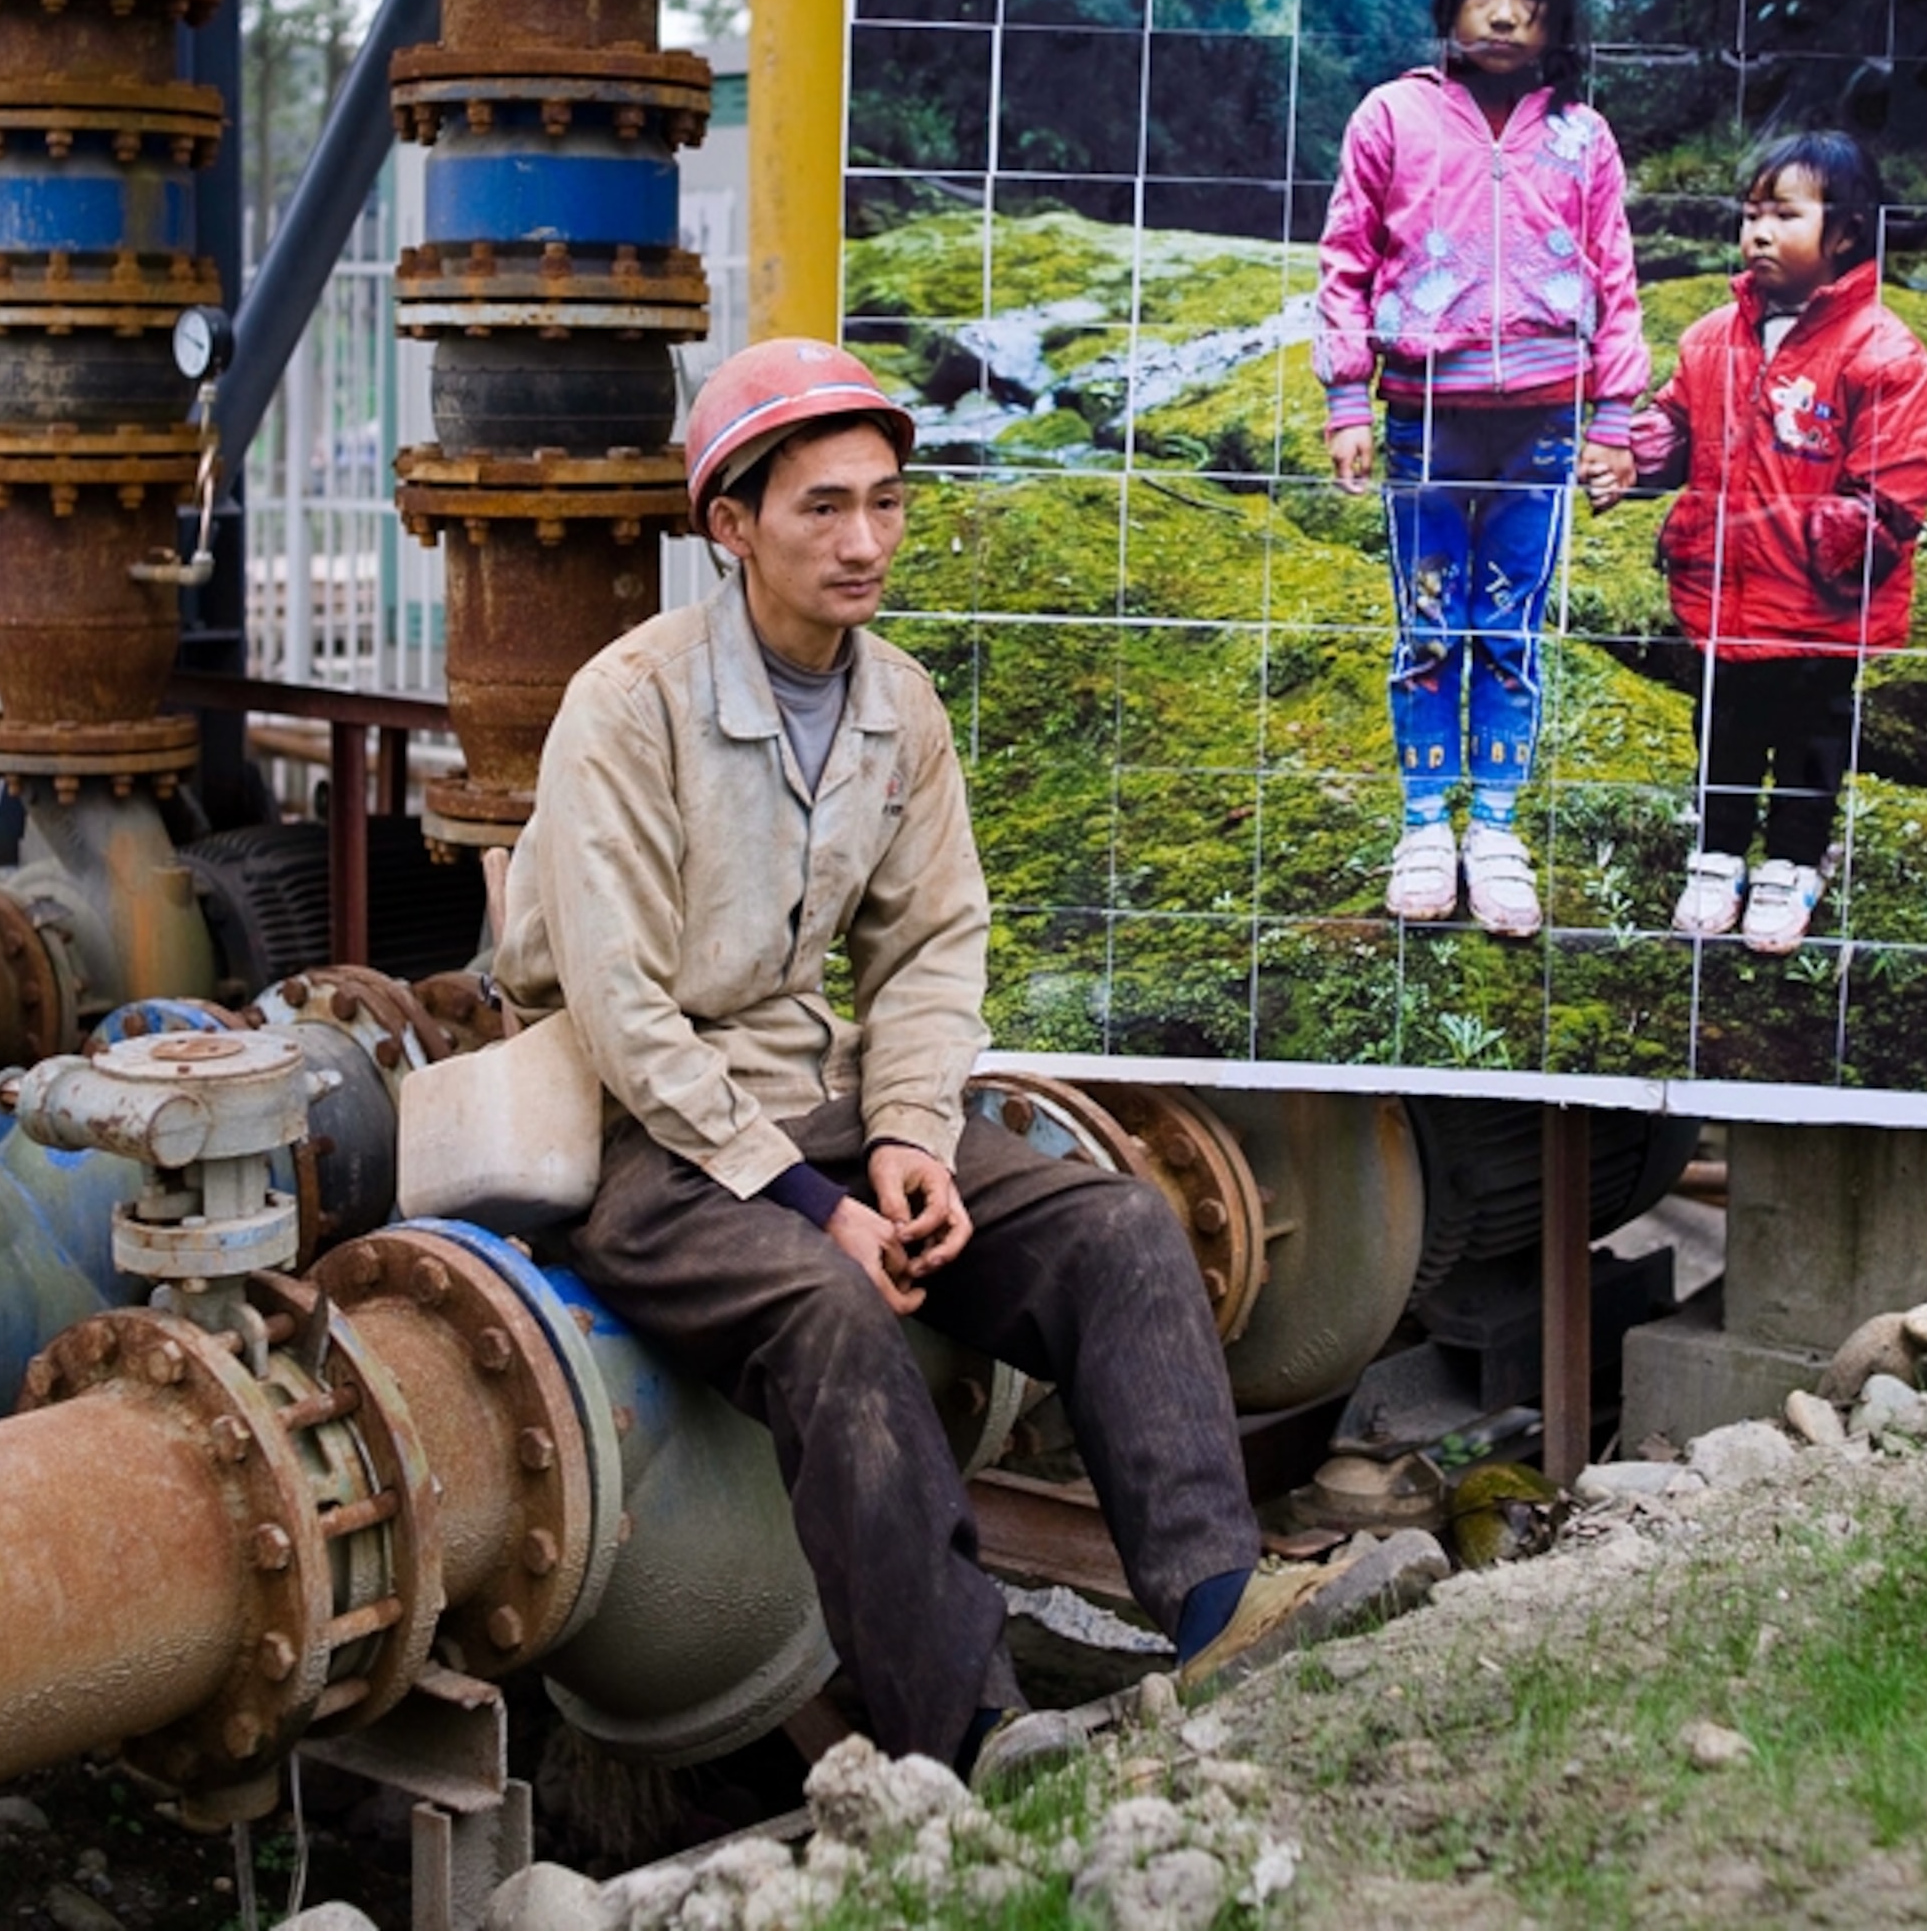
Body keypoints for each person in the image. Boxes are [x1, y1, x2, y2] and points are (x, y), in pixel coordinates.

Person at [492, 337, 1437, 1783]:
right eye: (823, 507)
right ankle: (971, 1733)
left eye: (885, 501)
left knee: (1117, 1228)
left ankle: (1217, 1601)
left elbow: (932, 950)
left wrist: (910, 1147)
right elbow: (623, 1019)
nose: (864, 540)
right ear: (731, 526)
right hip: (644, 1138)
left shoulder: (898, 709)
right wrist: (823, 1215)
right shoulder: (630, 708)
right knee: (832, 1313)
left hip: (821, 1101)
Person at [1314, 0, 1651, 939]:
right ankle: (1424, 821)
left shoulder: (1581, 136)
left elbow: (1616, 277)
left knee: (1510, 627)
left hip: (1546, 421)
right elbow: (1344, 261)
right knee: (1427, 622)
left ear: (1559, 19)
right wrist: (1345, 397)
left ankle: (1495, 828)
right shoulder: (1391, 118)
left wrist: (1616, 418)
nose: (1506, 16)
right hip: (1425, 416)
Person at [1601, 130, 1927, 956]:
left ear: (1846, 231)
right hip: (1724, 591)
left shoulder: (1884, 355)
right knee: (1724, 726)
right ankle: (1718, 852)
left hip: (1818, 608)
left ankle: (1794, 861)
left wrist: (1802, 541)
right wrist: (1631, 455)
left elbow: (1895, 492)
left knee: (1809, 735)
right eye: (1750, 215)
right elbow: (1677, 423)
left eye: (1783, 215)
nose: (1757, 232)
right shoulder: (1714, 337)